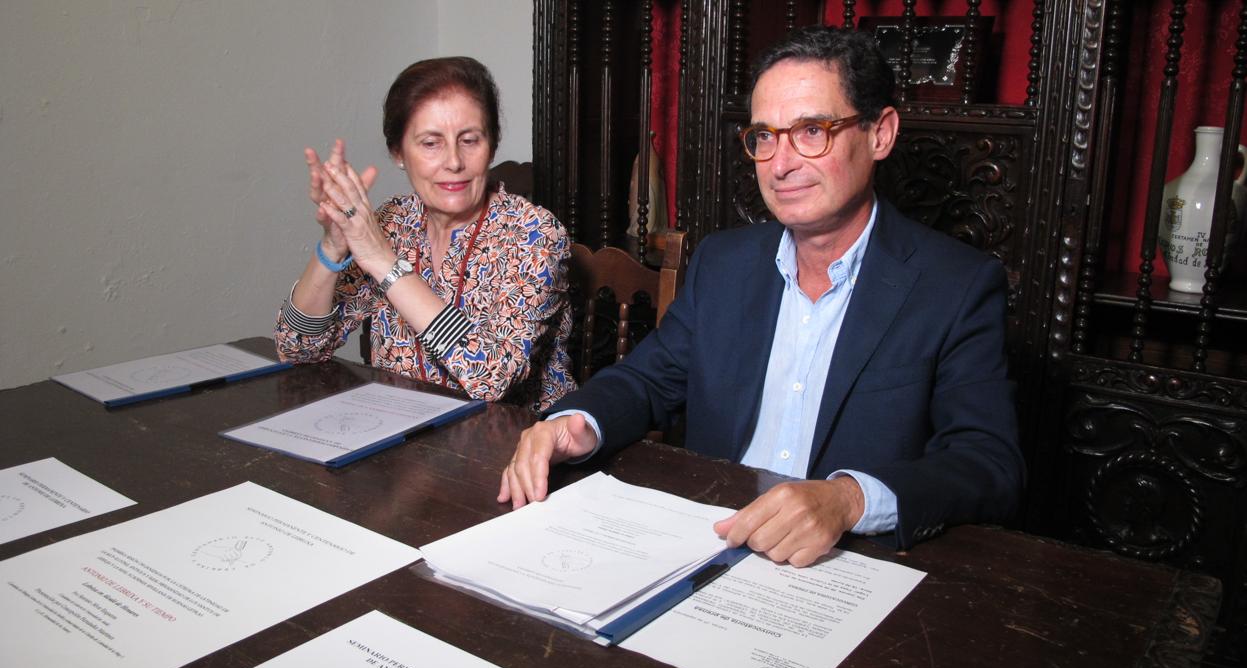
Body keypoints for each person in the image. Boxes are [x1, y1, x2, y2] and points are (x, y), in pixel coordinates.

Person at [498, 26, 1023, 565]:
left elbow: (989, 463)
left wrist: (849, 500)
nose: (780, 163)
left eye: (812, 131)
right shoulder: (725, 263)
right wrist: (576, 424)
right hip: (709, 539)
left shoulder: (955, 286)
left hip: (848, 565)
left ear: (880, 134)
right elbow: (647, 380)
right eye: (765, 136)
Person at [275, 57, 575, 412]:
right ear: (398, 152)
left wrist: (383, 261)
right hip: (401, 431)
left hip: (516, 438)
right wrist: (333, 246)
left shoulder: (535, 233)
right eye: (431, 143)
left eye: (469, 140)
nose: (454, 161)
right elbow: (297, 348)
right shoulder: (393, 221)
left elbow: (493, 378)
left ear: (492, 146)